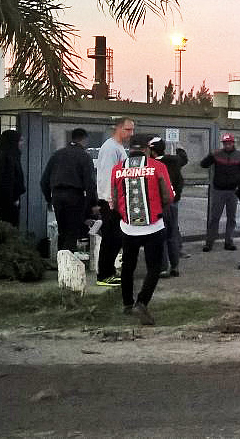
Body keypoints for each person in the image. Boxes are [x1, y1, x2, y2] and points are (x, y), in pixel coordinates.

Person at [112, 133, 174, 325]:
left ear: (130, 149)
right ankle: (142, 301)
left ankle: (127, 303)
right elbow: (168, 196)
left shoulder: (117, 168)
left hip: (128, 227)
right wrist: (159, 208)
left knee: (128, 267)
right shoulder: (158, 166)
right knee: (154, 267)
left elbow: (114, 199)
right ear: (147, 149)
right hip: (153, 225)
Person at [40, 128, 98, 251]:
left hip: (57, 196)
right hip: (74, 197)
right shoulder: (84, 156)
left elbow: (44, 181)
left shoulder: (57, 154)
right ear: (85, 140)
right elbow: (90, 184)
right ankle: (68, 264)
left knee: (62, 231)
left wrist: (49, 199)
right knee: (72, 231)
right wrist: (92, 204)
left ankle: (61, 262)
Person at [95, 117, 134, 287]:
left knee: (116, 238)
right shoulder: (110, 148)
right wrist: (111, 201)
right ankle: (104, 274)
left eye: (132, 130)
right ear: (118, 128)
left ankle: (108, 271)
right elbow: (108, 176)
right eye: (127, 129)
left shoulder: (118, 147)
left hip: (117, 200)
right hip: (111, 201)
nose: (131, 133)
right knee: (111, 238)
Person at [200, 134, 240, 252]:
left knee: (231, 218)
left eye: (229, 143)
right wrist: (211, 155)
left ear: (233, 143)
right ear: (223, 143)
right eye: (225, 143)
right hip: (218, 191)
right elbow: (203, 164)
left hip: (233, 191)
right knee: (214, 217)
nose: (227, 145)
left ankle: (229, 242)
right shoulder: (217, 154)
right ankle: (209, 243)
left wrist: (239, 184)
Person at [148, 138, 185, 278]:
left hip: (159, 204)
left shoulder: (153, 164)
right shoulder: (174, 160)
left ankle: (163, 267)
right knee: (172, 235)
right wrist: (179, 148)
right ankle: (175, 266)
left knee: (160, 236)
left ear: (153, 150)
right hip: (173, 202)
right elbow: (184, 158)